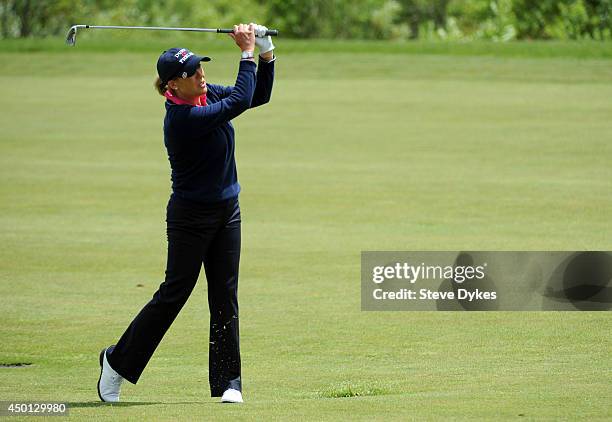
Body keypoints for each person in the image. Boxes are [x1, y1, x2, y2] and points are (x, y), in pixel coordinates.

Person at [96, 23, 275, 404]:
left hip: (227, 211)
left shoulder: (205, 96)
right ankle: (115, 362)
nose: (201, 74)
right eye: (191, 71)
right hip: (190, 218)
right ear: (173, 85)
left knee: (225, 295)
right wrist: (245, 53)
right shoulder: (181, 121)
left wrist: (266, 51)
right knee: (174, 294)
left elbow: (257, 95)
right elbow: (239, 102)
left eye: (200, 66)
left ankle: (230, 382)